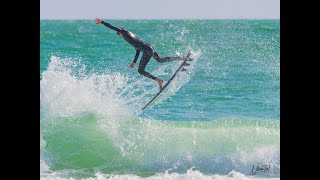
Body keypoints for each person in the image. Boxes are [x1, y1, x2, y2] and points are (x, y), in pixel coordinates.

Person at [94, 18, 190, 91]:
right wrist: (134, 62)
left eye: (119, 34)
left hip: (147, 50)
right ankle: (182, 58)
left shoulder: (124, 32)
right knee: (160, 60)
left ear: (119, 34)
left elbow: (112, 27)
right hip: (150, 47)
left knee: (140, 71)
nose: (120, 36)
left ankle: (158, 80)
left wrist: (102, 22)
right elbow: (137, 49)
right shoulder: (133, 36)